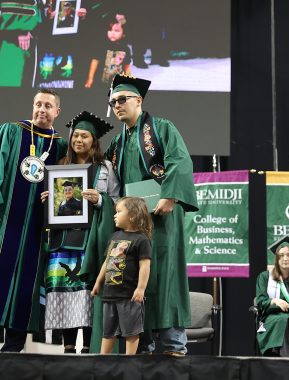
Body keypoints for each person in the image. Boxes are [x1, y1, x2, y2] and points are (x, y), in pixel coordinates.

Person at [0, 88, 67, 352]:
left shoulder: (61, 145)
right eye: (38, 104)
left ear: (57, 111)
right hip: (2, 221)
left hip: (37, 230)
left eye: (48, 106)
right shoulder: (10, 132)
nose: (42, 109)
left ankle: (13, 351)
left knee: (26, 288)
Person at [105, 74, 198, 356]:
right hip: (133, 225)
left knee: (166, 276)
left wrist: (170, 194)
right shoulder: (117, 143)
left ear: (139, 101)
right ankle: (142, 343)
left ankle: (173, 344)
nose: (117, 105)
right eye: (113, 101)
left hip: (162, 217)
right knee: (134, 276)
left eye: (122, 100)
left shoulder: (161, 129)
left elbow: (179, 160)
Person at [41, 110, 119, 354]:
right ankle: (67, 346)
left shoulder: (105, 167)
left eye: (85, 136)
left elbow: (118, 201)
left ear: (93, 141)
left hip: (90, 239)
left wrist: (100, 199)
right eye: (75, 135)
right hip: (62, 240)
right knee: (63, 289)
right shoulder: (60, 167)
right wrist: (49, 200)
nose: (78, 140)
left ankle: (87, 346)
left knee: (86, 292)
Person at [91, 197, 152, 355]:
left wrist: (140, 288)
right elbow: (107, 261)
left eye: (119, 211)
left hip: (129, 296)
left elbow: (145, 265)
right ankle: (103, 359)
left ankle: (129, 360)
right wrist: (98, 282)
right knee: (108, 330)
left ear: (132, 215)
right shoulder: (114, 236)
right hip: (110, 294)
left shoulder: (142, 240)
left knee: (131, 331)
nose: (115, 215)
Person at [84, 19, 131, 88]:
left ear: (124, 34)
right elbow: (95, 61)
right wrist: (90, 78)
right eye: (110, 30)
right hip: (100, 84)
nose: (112, 33)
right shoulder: (102, 46)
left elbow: (127, 66)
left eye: (116, 31)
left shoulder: (126, 49)